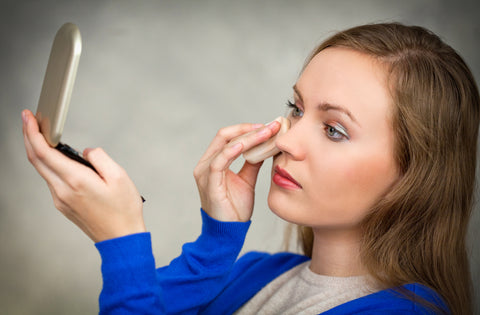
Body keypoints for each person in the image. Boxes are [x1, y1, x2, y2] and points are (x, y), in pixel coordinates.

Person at [22, 22, 478, 314]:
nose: (287, 138)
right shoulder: (258, 273)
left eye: (334, 129)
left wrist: (121, 242)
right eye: (296, 108)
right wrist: (217, 240)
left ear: (414, 174)